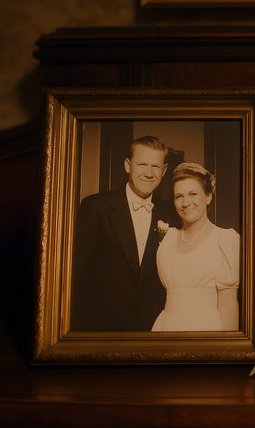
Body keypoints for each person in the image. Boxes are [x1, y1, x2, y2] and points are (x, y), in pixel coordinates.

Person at [71, 135, 179, 331]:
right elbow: (77, 274)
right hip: (100, 328)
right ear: (128, 166)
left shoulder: (172, 213)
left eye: (155, 166)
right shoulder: (95, 207)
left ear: (164, 171)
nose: (149, 173)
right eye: (142, 165)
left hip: (154, 327)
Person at [152, 162, 240, 331]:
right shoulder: (167, 238)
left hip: (207, 331)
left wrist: (227, 353)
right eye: (179, 196)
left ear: (208, 196)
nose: (185, 203)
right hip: (166, 328)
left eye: (193, 194)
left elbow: (228, 305)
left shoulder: (225, 240)